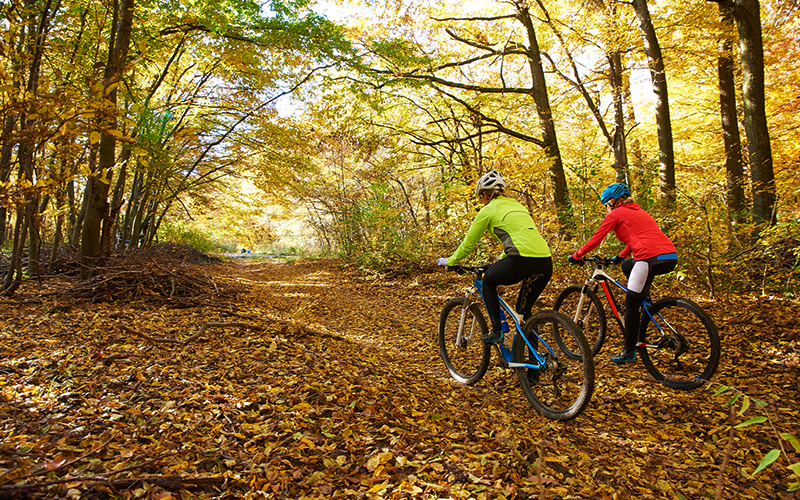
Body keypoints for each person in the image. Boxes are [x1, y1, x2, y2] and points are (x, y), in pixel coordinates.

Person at [437, 171, 552, 344]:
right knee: (525, 313)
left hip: (520, 259)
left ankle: (497, 331)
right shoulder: (517, 205)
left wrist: (451, 261)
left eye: (481, 196)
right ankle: (534, 367)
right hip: (545, 261)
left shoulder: (488, 210)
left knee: (488, 281)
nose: (482, 200)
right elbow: (519, 238)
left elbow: (469, 243)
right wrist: (500, 260)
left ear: (484, 194)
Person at [568, 182, 677, 364]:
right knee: (627, 266)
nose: (606, 208)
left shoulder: (616, 214)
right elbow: (638, 238)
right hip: (669, 256)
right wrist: (621, 256)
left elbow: (597, 238)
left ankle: (629, 351)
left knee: (631, 304)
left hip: (648, 258)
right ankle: (646, 301)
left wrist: (578, 254)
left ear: (614, 201)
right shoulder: (640, 212)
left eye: (606, 204)